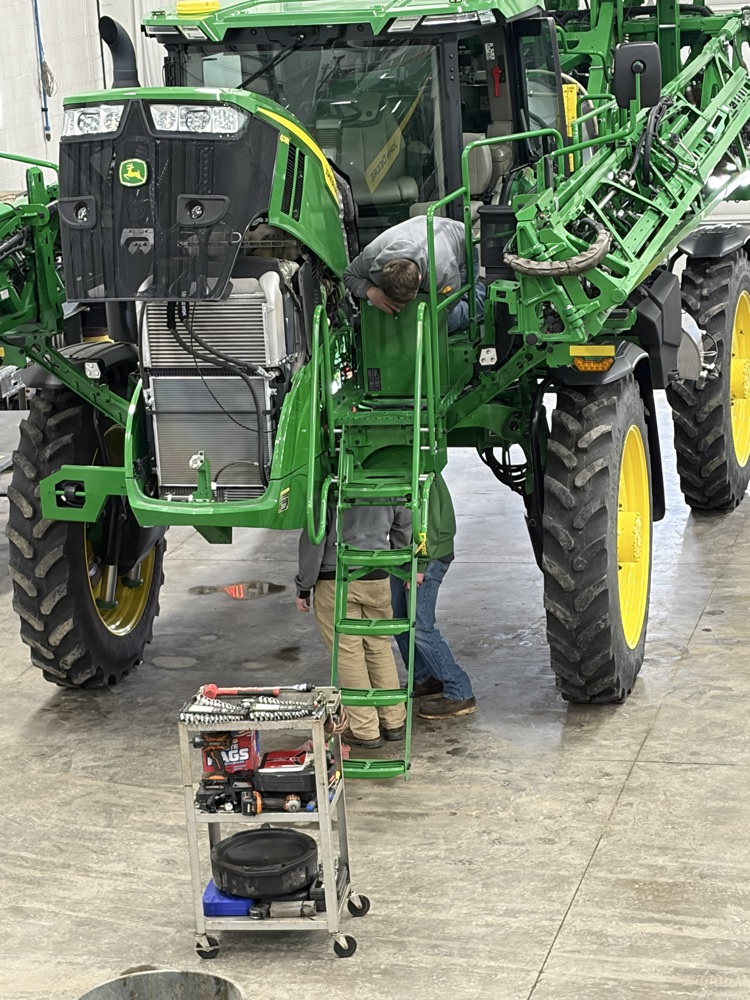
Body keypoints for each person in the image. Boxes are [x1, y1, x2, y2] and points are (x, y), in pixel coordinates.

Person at [295, 504, 409, 748]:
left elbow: (314, 540)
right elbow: (404, 523)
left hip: (337, 578)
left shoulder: (328, 482)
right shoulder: (389, 474)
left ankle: (365, 730)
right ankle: (394, 720)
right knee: (379, 647)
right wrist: (404, 565)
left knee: (348, 653)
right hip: (378, 575)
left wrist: (304, 586)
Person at [390, 473, 476, 719]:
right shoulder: (397, 463)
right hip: (403, 556)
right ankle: (424, 678)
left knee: (420, 626)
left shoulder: (424, 472)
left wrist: (421, 565)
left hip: (425, 558)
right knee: (400, 621)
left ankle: (460, 690)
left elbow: (432, 523)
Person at [343, 216, 486, 332]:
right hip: (420, 234)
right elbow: (348, 275)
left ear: (419, 278)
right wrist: (371, 292)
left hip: (460, 243)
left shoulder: (443, 271)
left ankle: (484, 295)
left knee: (445, 323)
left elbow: (449, 305)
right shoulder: (372, 256)